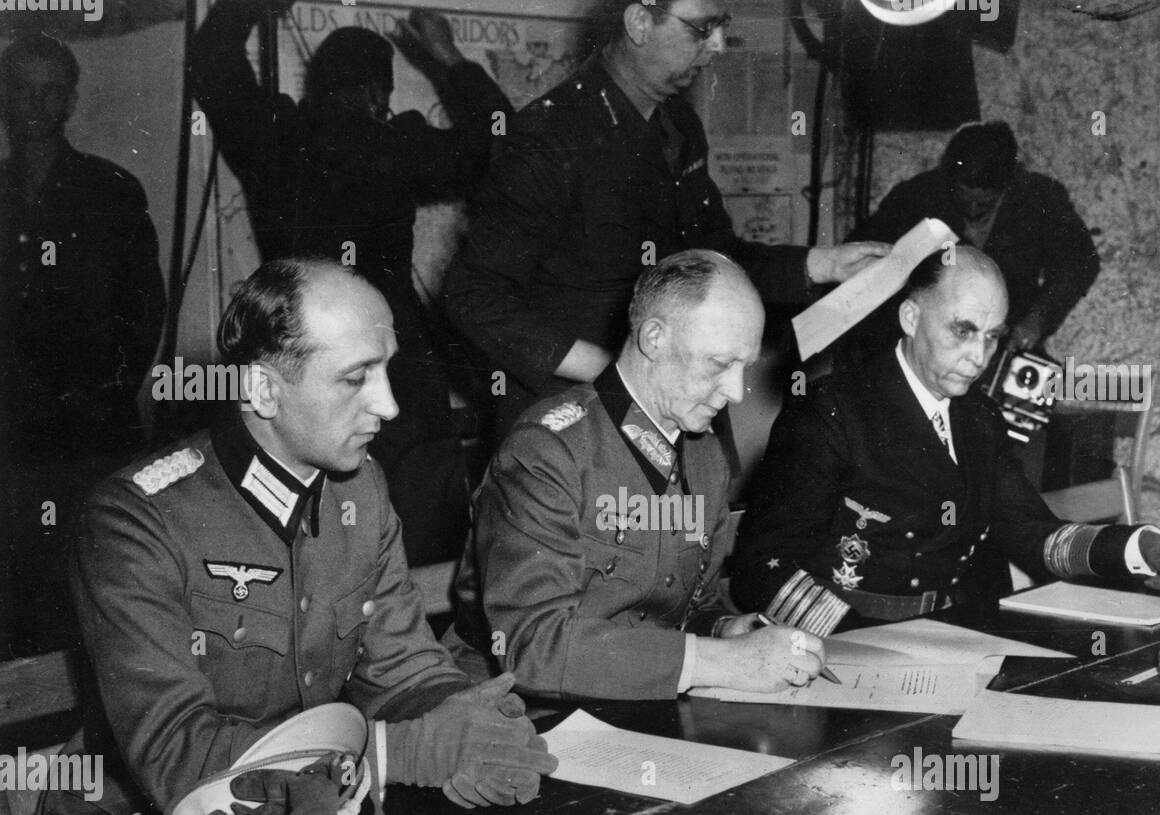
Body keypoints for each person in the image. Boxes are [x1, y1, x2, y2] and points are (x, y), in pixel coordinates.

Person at [38, 259, 556, 815]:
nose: (389, 406)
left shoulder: (360, 488)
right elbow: (176, 754)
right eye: (356, 377)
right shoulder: (136, 520)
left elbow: (402, 668)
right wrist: (401, 753)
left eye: (386, 370)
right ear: (262, 390)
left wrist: (469, 718)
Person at [730, 248, 1160, 635]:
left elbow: (1034, 533)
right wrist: (850, 642)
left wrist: (1143, 547)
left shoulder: (979, 417)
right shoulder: (832, 410)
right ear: (910, 318)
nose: (979, 356)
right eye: (963, 330)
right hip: (860, 641)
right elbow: (763, 567)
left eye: (992, 336)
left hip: (969, 631)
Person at [443, 0, 886, 441]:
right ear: (639, 22)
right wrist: (614, 372)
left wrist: (825, 265)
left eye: (721, 26)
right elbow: (474, 296)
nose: (717, 45)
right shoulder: (550, 136)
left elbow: (714, 264)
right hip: (579, 425)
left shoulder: (678, 126)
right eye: (701, 28)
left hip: (681, 408)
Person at [191, 0, 512, 564]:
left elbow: (213, 60)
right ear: (377, 92)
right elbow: (499, 138)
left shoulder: (275, 137)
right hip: (398, 370)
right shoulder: (395, 144)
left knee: (313, 543)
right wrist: (447, 57)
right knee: (419, 539)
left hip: (300, 361)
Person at [444, 250, 826, 700]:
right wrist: (723, 661)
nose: (735, 393)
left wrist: (725, 630)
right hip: (513, 705)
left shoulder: (704, 457)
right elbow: (533, 647)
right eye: (720, 364)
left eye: (743, 367)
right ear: (654, 338)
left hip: (641, 701)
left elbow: (681, 615)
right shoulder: (548, 452)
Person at [0, 32, 166, 657]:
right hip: (12, 441)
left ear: (69, 101)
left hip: (89, 440)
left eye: (52, 92)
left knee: (96, 595)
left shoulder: (109, 192)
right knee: (21, 604)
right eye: (22, 90)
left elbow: (143, 311)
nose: (36, 107)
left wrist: (110, 396)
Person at [848, 120, 1106, 488]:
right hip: (929, 347)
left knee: (1024, 452)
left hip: (1007, 349)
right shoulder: (918, 197)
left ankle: (1012, 518)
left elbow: (1080, 261)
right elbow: (861, 259)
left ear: (1009, 183)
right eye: (963, 191)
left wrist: (1037, 318)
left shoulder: (1038, 198)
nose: (971, 204)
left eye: (986, 197)